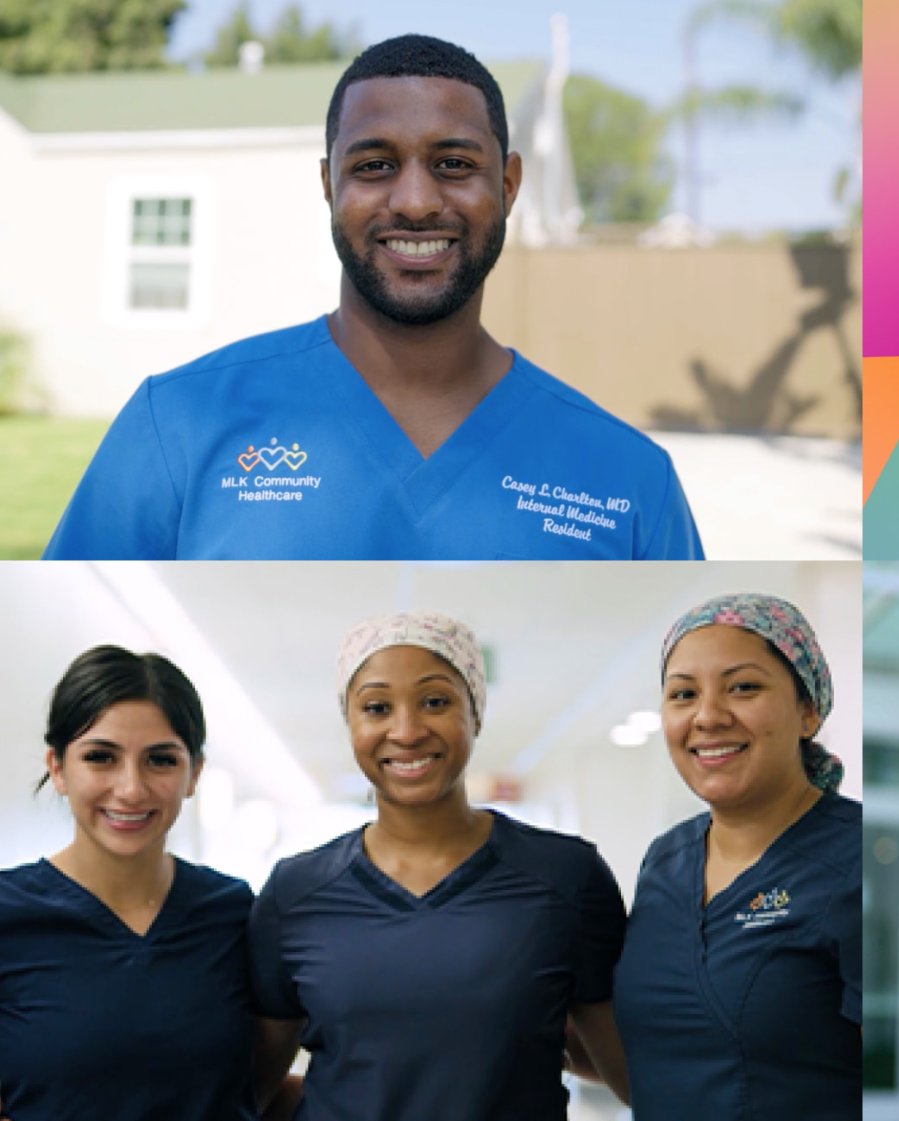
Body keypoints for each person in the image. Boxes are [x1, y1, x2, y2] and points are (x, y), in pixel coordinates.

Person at [44, 34, 702, 560]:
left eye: (453, 163)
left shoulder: (628, 480)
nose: (415, 201)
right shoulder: (178, 423)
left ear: (508, 184)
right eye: (374, 165)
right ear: (329, 184)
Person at [249, 612, 631, 1119]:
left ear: (475, 713)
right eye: (377, 707)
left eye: (435, 701)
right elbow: (250, 1088)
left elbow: (634, 1073)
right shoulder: (294, 892)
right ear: (350, 724)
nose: (406, 731)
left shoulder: (566, 877)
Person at [0, 647, 277, 1120]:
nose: (130, 789)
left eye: (161, 760)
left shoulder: (232, 912)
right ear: (58, 767)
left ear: (195, 774)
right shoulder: (9, 913)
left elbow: (256, 1085)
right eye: (101, 757)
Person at [612, 594, 861, 1120]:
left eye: (743, 687)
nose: (708, 716)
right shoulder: (665, 859)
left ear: (808, 710)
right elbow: (659, 1058)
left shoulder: (856, 858)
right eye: (683, 694)